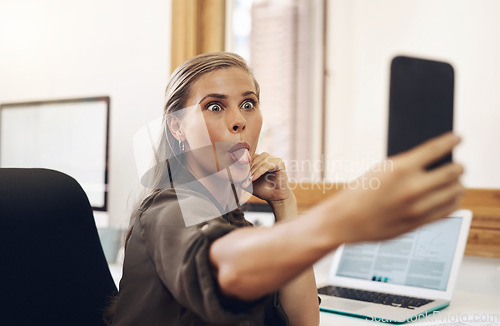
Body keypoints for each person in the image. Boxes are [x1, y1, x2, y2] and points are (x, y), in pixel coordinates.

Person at [109, 52, 464, 326]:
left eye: (248, 103)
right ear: (177, 127)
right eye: (214, 106)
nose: (239, 120)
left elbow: (304, 321)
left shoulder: (232, 220)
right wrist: (340, 219)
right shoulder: (168, 209)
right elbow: (224, 269)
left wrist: (285, 204)